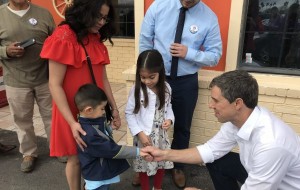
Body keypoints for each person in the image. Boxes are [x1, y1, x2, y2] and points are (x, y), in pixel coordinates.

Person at [144, 70, 300, 190]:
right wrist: (164, 154)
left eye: (215, 100)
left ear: (237, 103)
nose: (210, 105)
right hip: (260, 173)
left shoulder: (271, 144)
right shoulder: (239, 120)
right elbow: (209, 150)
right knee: (217, 159)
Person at [139, 0, 222, 187]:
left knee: (183, 126)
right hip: (156, 78)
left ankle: (178, 166)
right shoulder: (158, 6)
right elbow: (145, 41)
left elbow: (215, 55)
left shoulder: (209, 17)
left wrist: (189, 53)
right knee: (147, 122)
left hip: (186, 81)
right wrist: (145, 74)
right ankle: (143, 165)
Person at [40, 0, 121, 189]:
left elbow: (104, 79)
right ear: (85, 11)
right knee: (75, 157)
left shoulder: (95, 37)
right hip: (70, 111)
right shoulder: (63, 36)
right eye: (98, 16)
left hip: (95, 110)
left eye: (105, 18)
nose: (101, 22)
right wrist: (71, 122)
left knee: (95, 152)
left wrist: (114, 108)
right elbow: (54, 84)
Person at [0, 0, 55, 172]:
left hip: (45, 77)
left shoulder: (44, 14)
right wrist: (5, 51)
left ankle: (57, 148)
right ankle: (29, 153)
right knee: (22, 120)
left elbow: (56, 40)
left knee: (52, 117)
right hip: (16, 80)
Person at [74, 84, 151, 190]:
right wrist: (139, 152)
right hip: (98, 176)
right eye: (102, 108)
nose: (103, 112)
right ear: (89, 110)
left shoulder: (89, 123)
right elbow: (112, 150)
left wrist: (110, 128)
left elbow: (101, 135)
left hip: (98, 172)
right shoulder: (89, 135)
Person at [125, 50, 175, 190]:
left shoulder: (166, 88)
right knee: (144, 164)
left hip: (160, 135)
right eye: (143, 77)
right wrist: (140, 134)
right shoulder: (137, 90)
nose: (147, 81)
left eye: (152, 77)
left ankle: (157, 187)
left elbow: (168, 107)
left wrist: (170, 119)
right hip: (144, 134)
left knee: (161, 162)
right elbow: (129, 113)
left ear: (160, 72)